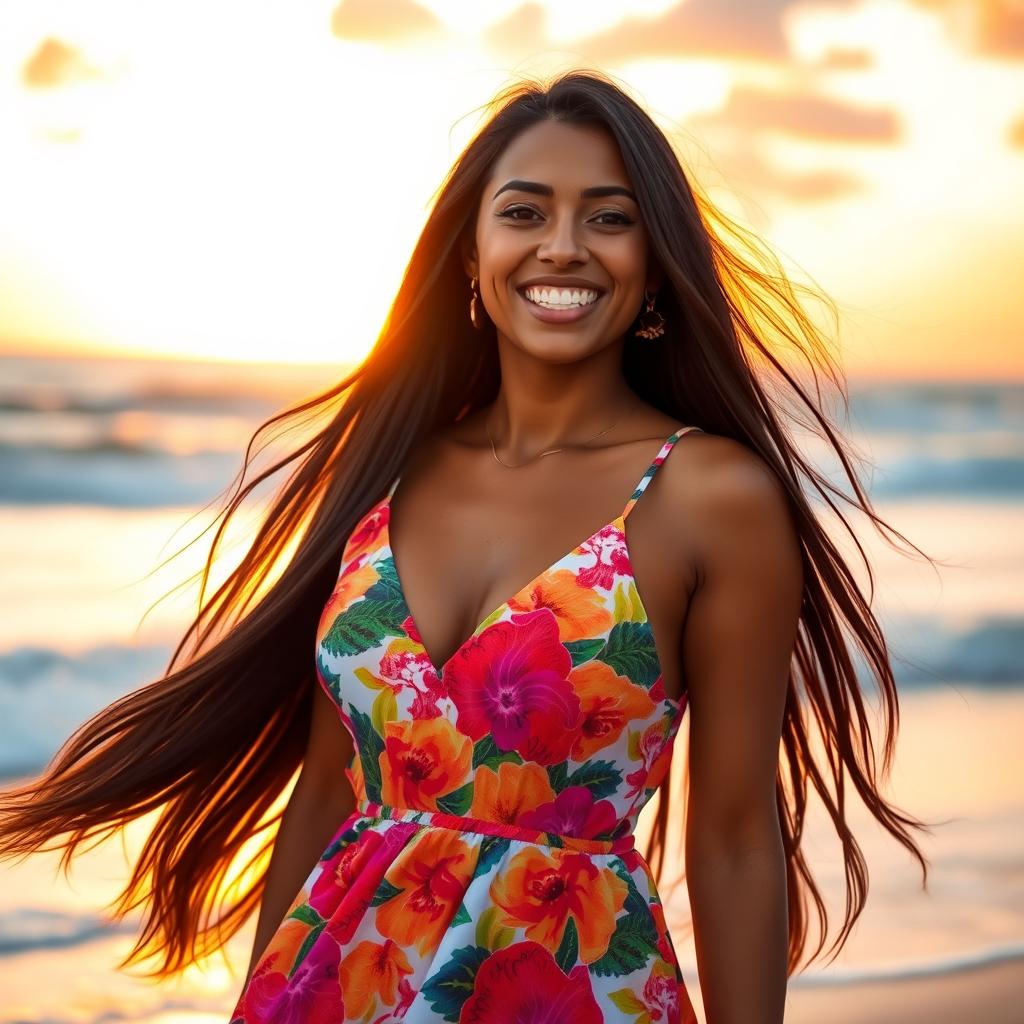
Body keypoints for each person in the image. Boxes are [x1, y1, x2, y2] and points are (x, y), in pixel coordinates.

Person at [0, 70, 936, 1023]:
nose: (562, 247)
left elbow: (736, 839)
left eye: (608, 218)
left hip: (568, 990)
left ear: (655, 265)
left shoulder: (710, 497)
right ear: (472, 253)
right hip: (334, 989)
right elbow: (327, 791)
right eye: (524, 212)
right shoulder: (388, 471)